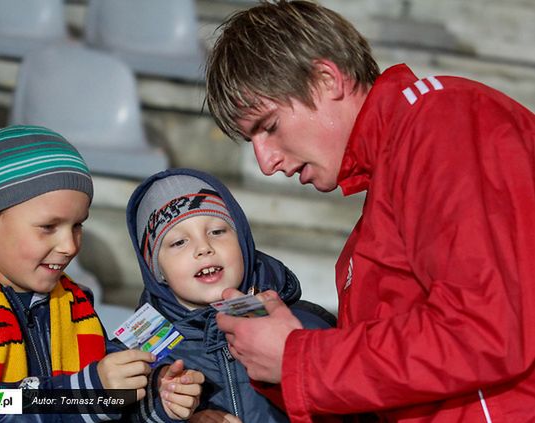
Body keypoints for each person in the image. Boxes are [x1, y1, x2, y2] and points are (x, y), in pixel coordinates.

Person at [204, 1, 535, 422]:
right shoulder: (367, 232)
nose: (267, 162)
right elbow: (397, 386)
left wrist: (299, 357)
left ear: (326, 79)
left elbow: (486, 331)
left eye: (269, 127)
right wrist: (279, 364)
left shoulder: (440, 121)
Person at [0, 125, 203, 422]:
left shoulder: (73, 305)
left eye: (77, 225)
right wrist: (82, 394)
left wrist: (155, 399)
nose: (69, 245)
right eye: (48, 227)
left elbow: (98, 404)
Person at [126, 168, 337, 423]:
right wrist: (168, 413)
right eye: (179, 242)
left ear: (243, 242)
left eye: (217, 231)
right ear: (156, 271)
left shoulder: (304, 325)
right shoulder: (137, 349)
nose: (203, 248)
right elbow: (108, 409)